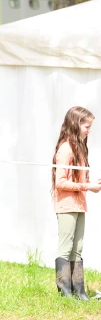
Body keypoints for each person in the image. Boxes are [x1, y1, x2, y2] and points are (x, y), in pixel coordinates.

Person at [52, 106, 101, 299]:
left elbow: (77, 179)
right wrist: (88, 186)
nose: (89, 130)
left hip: (79, 204)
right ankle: (64, 291)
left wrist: (91, 184)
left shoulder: (80, 147)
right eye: (86, 126)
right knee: (66, 247)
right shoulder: (65, 149)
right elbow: (60, 182)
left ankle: (79, 291)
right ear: (75, 124)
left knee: (77, 248)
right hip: (66, 205)